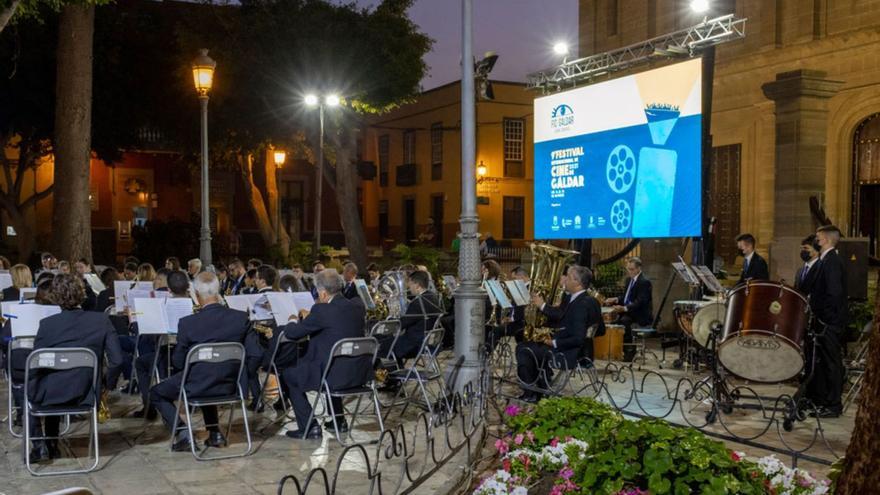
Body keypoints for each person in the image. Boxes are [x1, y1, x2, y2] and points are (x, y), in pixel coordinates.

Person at [149, 272, 256, 451]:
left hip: (198, 386)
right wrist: (242, 376)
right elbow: (256, 354)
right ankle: (214, 433)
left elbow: (178, 362)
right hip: (230, 384)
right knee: (209, 373)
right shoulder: (240, 319)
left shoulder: (188, 323)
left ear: (197, 296)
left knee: (157, 393)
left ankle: (184, 433)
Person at [27, 274, 124, 463]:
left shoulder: (47, 324)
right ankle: (51, 443)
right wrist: (105, 385)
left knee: (34, 384)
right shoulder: (101, 321)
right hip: (86, 393)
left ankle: (41, 445)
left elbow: (37, 363)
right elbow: (117, 360)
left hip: (51, 393)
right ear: (82, 294)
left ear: (55, 297)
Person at [279, 269, 367, 439]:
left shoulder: (321, 310)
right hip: (358, 373)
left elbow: (293, 333)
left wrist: (291, 319)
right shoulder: (357, 306)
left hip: (333, 377)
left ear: (323, 293)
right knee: (333, 361)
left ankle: (309, 426)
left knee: (289, 375)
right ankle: (338, 421)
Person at [516, 265, 604, 403]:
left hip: (571, 352)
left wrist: (554, 342)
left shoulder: (583, 304)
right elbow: (599, 329)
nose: (564, 280)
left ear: (577, 282)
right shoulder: (577, 298)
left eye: (568, 277)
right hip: (572, 346)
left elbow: (577, 338)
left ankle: (532, 392)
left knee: (523, 349)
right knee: (528, 345)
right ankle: (541, 387)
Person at [132, 270, 192, 418]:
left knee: (140, 363)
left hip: (169, 360)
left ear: (169, 290)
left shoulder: (161, 305)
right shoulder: (195, 306)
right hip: (191, 360)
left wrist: (134, 320)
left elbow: (148, 334)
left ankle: (149, 407)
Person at [804, 225, 848, 418]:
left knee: (832, 363)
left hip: (829, 323)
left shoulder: (832, 261)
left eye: (819, 238)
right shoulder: (824, 260)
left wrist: (825, 320)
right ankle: (820, 399)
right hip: (822, 321)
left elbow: (834, 293)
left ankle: (833, 404)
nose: (816, 241)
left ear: (828, 240)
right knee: (821, 362)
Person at [1, 278, 53, 429]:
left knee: (18, 375)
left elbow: (4, 339)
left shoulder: (20, 312)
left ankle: (26, 420)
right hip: (52, 368)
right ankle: (50, 438)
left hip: (23, 368)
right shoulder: (62, 315)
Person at [377, 270, 441, 367]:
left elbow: (402, 324)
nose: (409, 287)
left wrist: (389, 319)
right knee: (389, 341)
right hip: (428, 342)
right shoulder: (432, 297)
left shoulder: (417, 303)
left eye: (410, 284)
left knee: (383, 344)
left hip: (414, 344)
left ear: (417, 285)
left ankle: (394, 377)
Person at [605, 257, 653, 362]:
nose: (629, 272)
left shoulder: (644, 282)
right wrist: (616, 299)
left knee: (624, 322)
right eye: (628, 269)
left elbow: (640, 302)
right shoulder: (629, 280)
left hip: (640, 314)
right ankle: (617, 350)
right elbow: (626, 297)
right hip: (629, 312)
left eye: (631, 269)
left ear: (638, 269)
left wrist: (624, 308)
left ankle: (630, 352)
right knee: (614, 322)